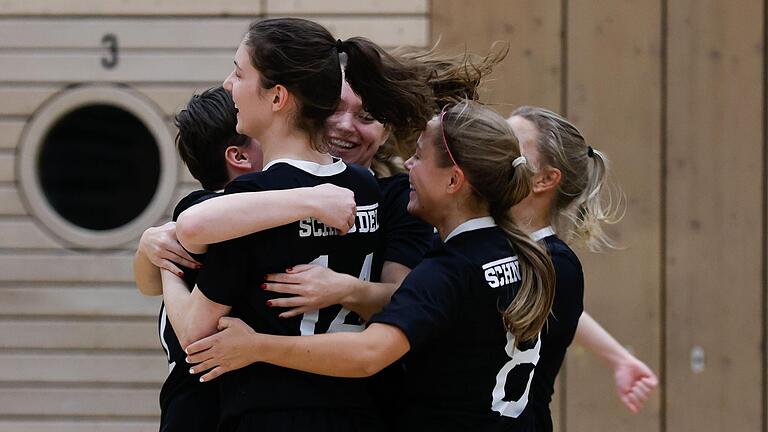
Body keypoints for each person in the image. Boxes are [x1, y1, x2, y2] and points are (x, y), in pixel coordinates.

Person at [185, 100, 557, 431]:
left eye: (419, 156)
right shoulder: (518, 253)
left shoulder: (448, 270)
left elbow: (367, 355)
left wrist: (255, 346)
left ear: (453, 180)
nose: (407, 165)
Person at [163, 17, 433, 432]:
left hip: (271, 413)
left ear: (277, 98)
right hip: (357, 412)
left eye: (239, 73)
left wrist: (165, 266)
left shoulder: (253, 201)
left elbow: (194, 332)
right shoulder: (363, 186)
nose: (230, 86)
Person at [132, 86, 357, 432]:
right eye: (260, 133)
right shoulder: (205, 212)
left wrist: (150, 251)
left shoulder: (255, 211)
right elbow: (173, 308)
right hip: (198, 402)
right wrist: (156, 254)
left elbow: (147, 284)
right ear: (238, 157)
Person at [507, 106, 657, 425]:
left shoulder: (554, 263)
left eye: (511, 147)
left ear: (546, 178)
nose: (494, 153)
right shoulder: (493, 242)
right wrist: (618, 358)